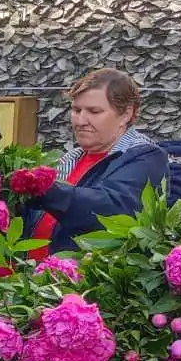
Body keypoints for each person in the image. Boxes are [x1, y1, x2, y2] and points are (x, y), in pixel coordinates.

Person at [26, 67, 168, 257]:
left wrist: (46, 189)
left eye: (94, 111)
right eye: (76, 110)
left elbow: (111, 209)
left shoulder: (145, 157)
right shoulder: (70, 158)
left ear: (126, 114)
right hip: (33, 278)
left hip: (82, 282)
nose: (80, 120)